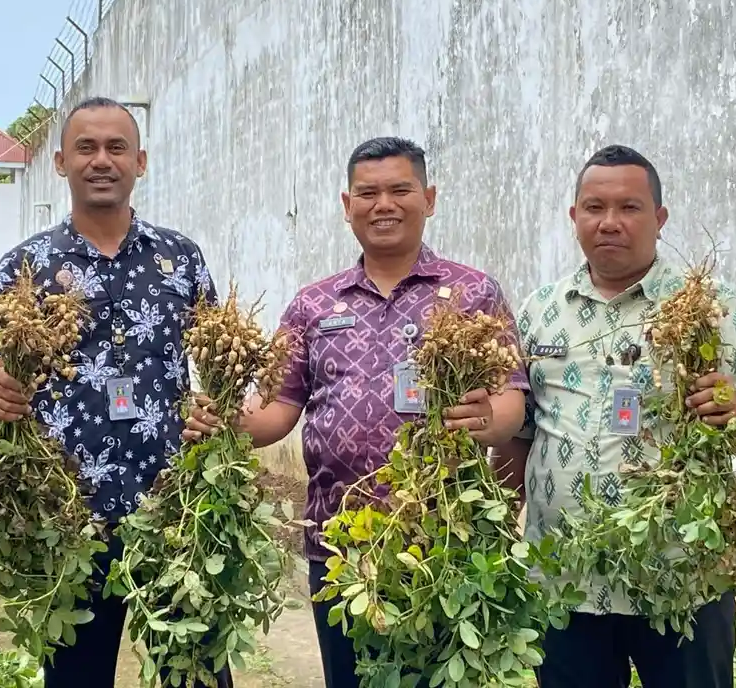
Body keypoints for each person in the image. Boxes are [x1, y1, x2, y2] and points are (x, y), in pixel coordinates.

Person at [182, 136, 529, 688]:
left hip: (440, 540)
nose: (383, 204)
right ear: (348, 206)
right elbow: (278, 409)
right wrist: (227, 421)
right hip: (338, 544)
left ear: (429, 198)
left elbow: (512, 399)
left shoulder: (472, 292)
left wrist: (488, 416)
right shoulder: (313, 304)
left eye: (399, 190)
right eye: (367, 193)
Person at [491, 145, 736, 688]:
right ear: (573, 216)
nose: (610, 223)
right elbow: (520, 433)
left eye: (629, 208)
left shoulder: (707, 307)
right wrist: (493, 524)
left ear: (660, 218)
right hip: (564, 576)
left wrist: (735, 409)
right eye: (594, 207)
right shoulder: (540, 310)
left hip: (680, 577)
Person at [0, 96, 227, 688]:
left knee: (194, 673)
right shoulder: (26, 266)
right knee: (76, 676)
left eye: (116, 148)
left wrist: (217, 409)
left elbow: (215, 360)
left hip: (175, 509)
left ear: (141, 161)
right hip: (69, 515)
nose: (101, 160)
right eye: (86, 148)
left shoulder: (179, 258)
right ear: (60, 162)